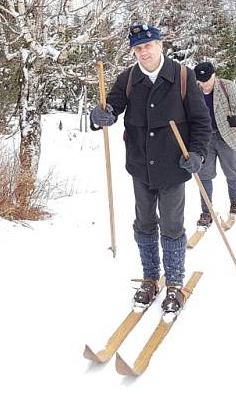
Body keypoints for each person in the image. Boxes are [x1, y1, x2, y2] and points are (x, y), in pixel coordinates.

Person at [90, 24, 211, 313]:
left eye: (149, 45)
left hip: (173, 167)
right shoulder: (128, 78)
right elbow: (111, 108)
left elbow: (201, 122)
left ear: (160, 45)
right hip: (140, 167)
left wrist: (197, 154)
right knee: (144, 224)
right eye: (138, 48)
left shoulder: (182, 76)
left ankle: (174, 284)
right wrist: (99, 116)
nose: (144, 52)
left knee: (171, 225)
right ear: (134, 51)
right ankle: (149, 279)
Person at [192, 61, 236, 227]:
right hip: (205, 138)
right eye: (201, 81)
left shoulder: (226, 86)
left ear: (214, 75)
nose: (204, 84)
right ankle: (206, 211)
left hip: (226, 135)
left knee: (231, 171)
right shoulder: (195, 91)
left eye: (207, 80)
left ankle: (234, 201)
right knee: (204, 175)